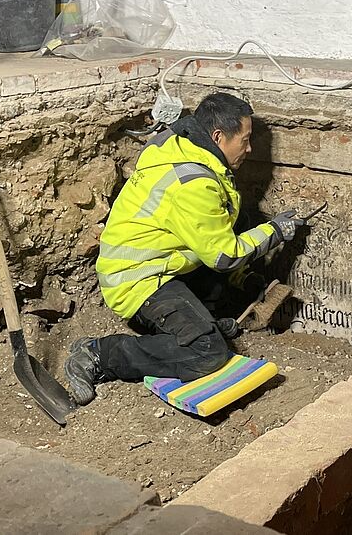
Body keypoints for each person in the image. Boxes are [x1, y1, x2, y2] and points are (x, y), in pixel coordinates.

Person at [65, 92, 306, 405]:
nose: (249, 149)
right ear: (218, 137)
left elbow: (210, 232)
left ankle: (203, 322)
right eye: (245, 140)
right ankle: (98, 353)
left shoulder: (181, 144)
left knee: (240, 220)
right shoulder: (194, 183)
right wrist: (275, 231)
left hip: (164, 261)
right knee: (207, 353)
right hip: (138, 279)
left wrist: (240, 275)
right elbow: (224, 256)